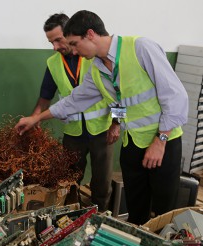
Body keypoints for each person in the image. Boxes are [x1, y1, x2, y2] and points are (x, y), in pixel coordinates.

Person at [15, 10, 188, 225]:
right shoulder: (97, 69)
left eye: (74, 44)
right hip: (132, 143)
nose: (74, 51)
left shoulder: (140, 48)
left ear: (90, 34)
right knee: (136, 209)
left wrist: (160, 140)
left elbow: (175, 96)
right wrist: (36, 118)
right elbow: (75, 101)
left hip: (164, 142)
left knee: (164, 212)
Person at [18, 13, 118, 212]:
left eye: (58, 40)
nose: (55, 47)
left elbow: (118, 93)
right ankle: (72, 216)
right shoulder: (53, 63)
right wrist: (34, 118)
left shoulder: (94, 57)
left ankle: (100, 217)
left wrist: (116, 124)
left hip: (102, 130)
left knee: (101, 181)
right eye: (51, 42)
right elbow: (45, 97)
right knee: (69, 180)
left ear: (71, 33)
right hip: (73, 133)